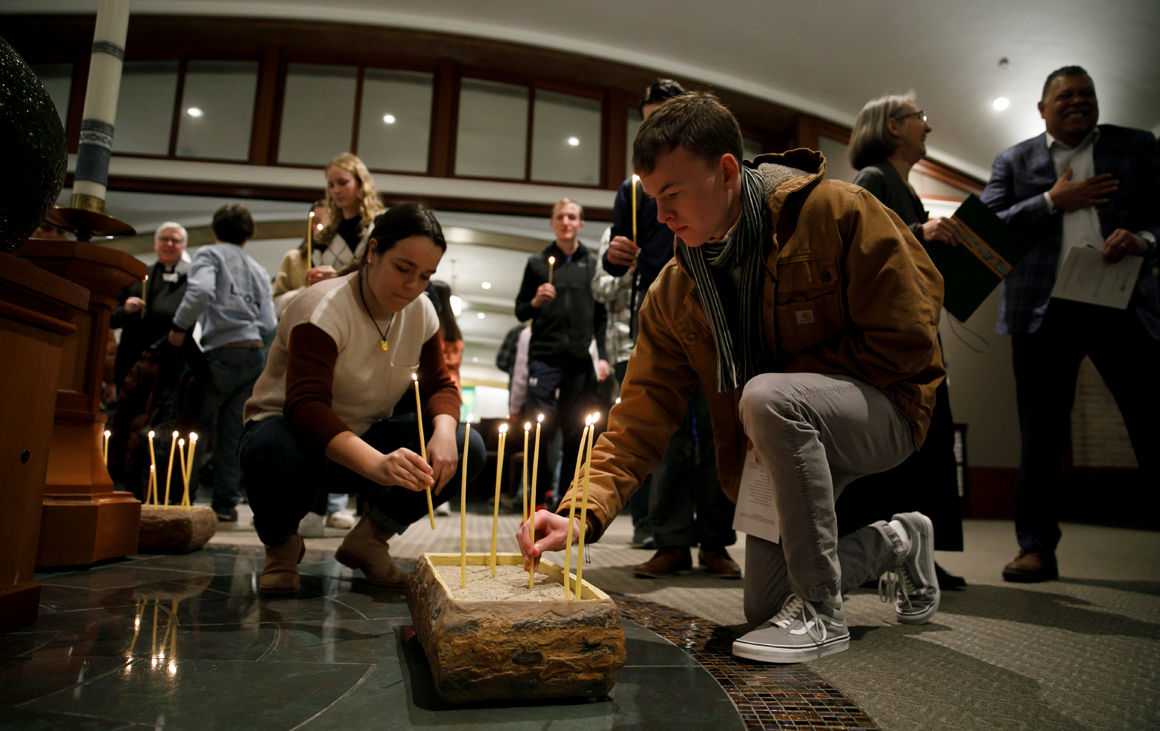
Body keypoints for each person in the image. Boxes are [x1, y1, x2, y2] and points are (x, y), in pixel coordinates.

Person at [518, 92, 945, 664]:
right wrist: (578, 513)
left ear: (725, 171)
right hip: (777, 432)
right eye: (653, 201)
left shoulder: (838, 212)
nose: (663, 217)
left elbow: (911, 336)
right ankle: (898, 540)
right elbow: (641, 412)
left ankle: (822, 615)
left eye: (673, 194)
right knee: (765, 606)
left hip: (884, 408)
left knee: (768, 395)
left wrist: (782, 389)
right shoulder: (676, 286)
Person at [240, 203, 485, 594]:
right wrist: (376, 464)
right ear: (373, 252)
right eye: (403, 269)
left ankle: (370, 540)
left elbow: (441, 385)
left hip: (363, 437)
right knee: (272, 450)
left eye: (425, 276)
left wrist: (442, 430)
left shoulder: (421, 311)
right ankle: (282, 546)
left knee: (464, 444)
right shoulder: (321, 307)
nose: (412, 286)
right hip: (296, 441)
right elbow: (305, 406)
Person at [980, 66, 1160, 583]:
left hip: (1122, 304)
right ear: (1042, 109)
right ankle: (1035, 547)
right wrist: (1049, 202)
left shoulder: (1137, 145)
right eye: (1066, 96)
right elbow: (986, 230)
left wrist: (1145, 239)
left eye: (1087, 94)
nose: (1079, 102)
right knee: (1040, 434)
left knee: (1151, 421)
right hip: (1043, 312)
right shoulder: (1013, 160)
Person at [604, 79, 740, 577]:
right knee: (667, 433)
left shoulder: (710, 179)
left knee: (723, 423)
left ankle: (716, 543)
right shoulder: (634, 189)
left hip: (718, 308)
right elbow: (617, 261)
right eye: (647, 118)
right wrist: (615, 255)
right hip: (662, 313)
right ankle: (671, 540)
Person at [840, 93, 966, 590]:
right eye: (920, 119)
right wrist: (922, 230)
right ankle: (883, 550)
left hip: (916, 336)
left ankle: (916, 549)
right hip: (889, 344)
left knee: (927, 448)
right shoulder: (873, 180)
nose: (927, 128)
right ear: (893, 127)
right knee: (899, 449)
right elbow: (859, 245)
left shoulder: (905, 187)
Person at [169, 204, 277, 522]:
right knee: (232, 432)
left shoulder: (209, 255)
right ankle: (225, 504)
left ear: (215, 231)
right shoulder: (257, 269)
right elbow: (270, 321)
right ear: (247, 237)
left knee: (195, 425)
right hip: (253, 353)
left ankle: (180, 498)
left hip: (222, 350)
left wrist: (178, 327)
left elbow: (200, 290)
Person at [514, 199, 609, 508]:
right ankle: (537, 501)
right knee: (541, 430)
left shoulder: (593, 263)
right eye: (560, 217)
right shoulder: (537, 262)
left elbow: (601, 316)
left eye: (572, 217)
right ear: (552, 223)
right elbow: (519, 310)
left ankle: (565, 503)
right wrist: (536, 302)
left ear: (581, 224)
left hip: (580, 361)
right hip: (544, 357)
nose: (566, 222)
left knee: (575, 432)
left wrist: (604, 356)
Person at [111, 222, 190, 393]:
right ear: (155, 243)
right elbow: (111, 317)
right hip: (132, 358)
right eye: (164, 239)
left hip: (169, 362)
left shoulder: (191, 282)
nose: (169, 244)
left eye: (175, 241)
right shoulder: (136, 277)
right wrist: (125, 310)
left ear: (183, 246)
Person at [272, 199, 328, 315]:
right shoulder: (293, 259)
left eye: (327, 222)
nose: (320, 227)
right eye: (316, 221)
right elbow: (276, 305)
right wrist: (303, 293)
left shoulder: (342, 258)